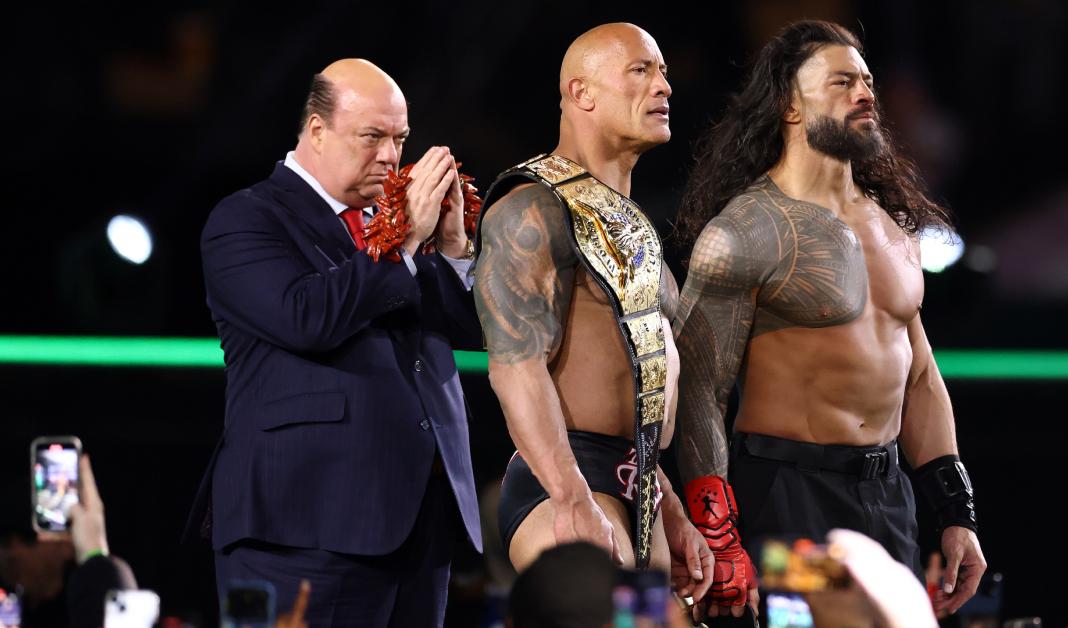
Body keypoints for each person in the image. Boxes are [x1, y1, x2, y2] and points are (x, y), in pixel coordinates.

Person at [672, 20, 986, 618]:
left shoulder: (893, 227)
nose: (865, 93)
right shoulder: (745, 233)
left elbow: (919, 376)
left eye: (867, 80)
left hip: (889, 498)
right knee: (824, 616)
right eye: (842, 82)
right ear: (790, 105)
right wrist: (720, 531)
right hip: (787, 501)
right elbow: (700, 393)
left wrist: (955, 514)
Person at [189, 58, 483, 626]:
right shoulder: (245, 218)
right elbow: (307, 317)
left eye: (399, 138)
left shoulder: (405, 228)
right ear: (317, 130)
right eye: (371, 136)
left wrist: (451, 251)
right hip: (303, 528)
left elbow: (474, 333)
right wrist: (405, 246)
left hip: (422, 522)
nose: (391, 157)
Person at [472, 22, 713, 605]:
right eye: (641, 70)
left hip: (637, 475)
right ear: (583, 93)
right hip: (568, 471)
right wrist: (569, 494)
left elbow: (643, 380)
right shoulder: (531, 207)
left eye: (663, 71)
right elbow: (515, 366)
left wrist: (667, 499)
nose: (664, 86)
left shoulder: (631, 225)